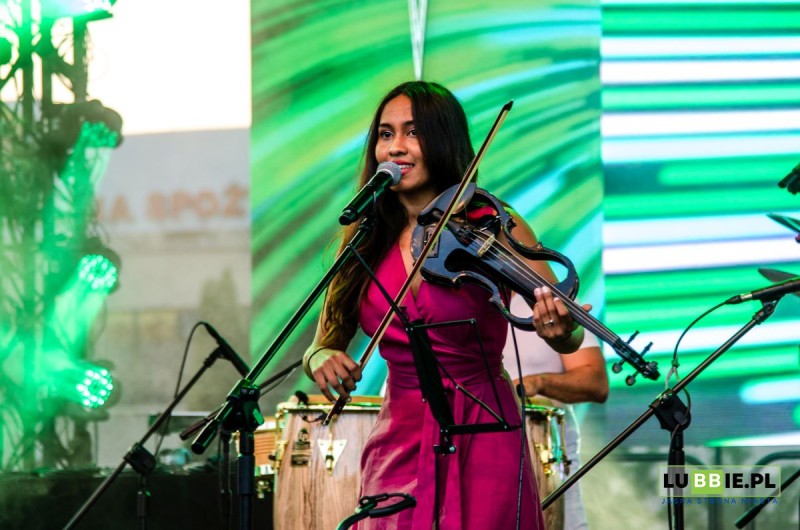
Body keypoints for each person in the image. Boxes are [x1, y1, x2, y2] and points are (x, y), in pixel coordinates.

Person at [302, 80, 587, 529]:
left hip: (485, 428)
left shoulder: (491, 224)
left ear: (443, 140)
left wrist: (561, 330)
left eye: (413, 132)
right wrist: (320, 358)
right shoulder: (364, 238)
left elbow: (569, 333)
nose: (396, 147)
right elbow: (322, 344)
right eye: (386, 134)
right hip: (400, 436)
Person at [503, 294, 609, 530]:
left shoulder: (553, 301)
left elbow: (596, 382)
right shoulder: (458, 301)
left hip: (548, 454)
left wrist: (537, 383)